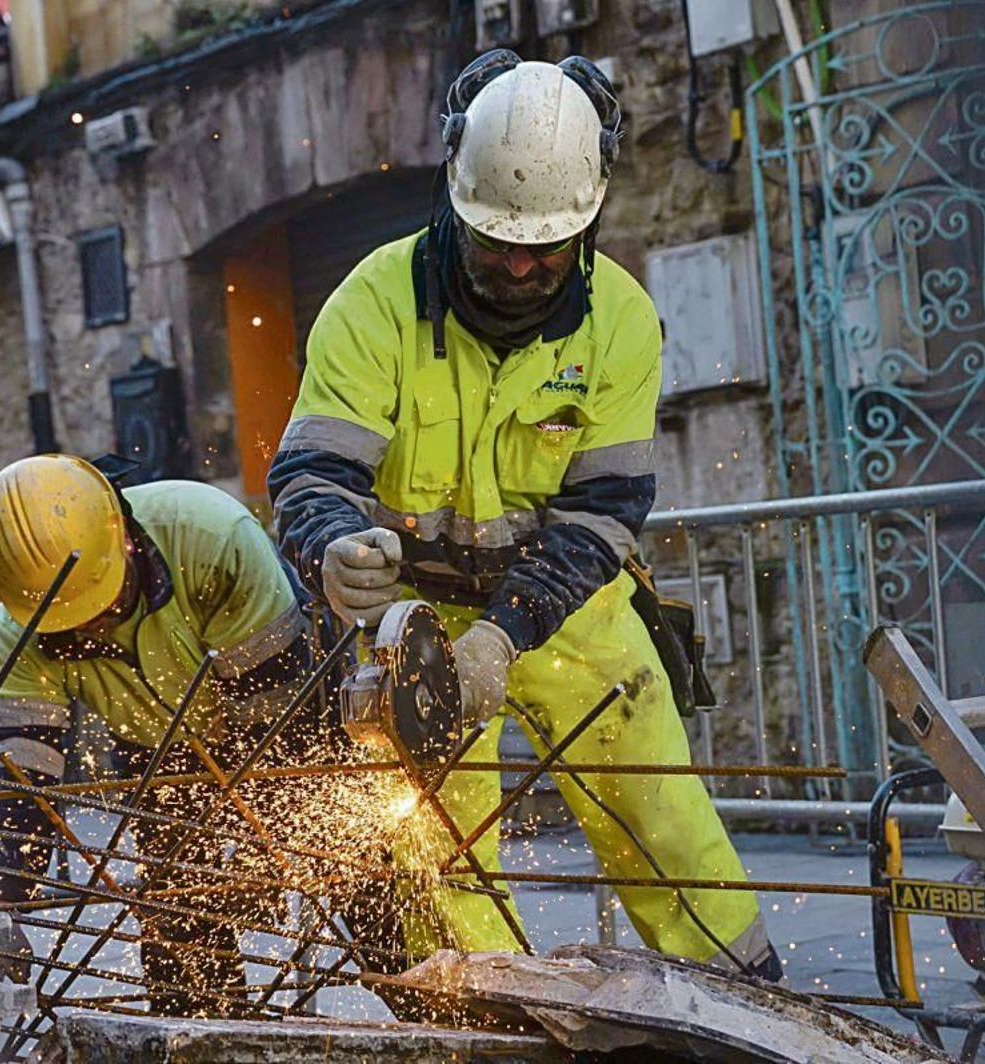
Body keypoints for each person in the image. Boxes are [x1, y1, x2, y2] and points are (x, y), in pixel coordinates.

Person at [267, 51, 780, 979]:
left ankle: (745, 996)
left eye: (544, 246)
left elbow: (602, 514)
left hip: (571, 610)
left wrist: (503, 640)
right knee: (444, 861)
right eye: (495, 238)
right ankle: (494, 1020)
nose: (517, 264)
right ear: (454, 195)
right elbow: (311, 472)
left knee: (663, 824)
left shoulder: (621, 320)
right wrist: (334, 546)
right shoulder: (373, 304)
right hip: (416, 624)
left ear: (589, 215)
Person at [0, 454, 322, 1014]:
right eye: (71, 621)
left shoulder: (211, 540)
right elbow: (18, 794)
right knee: (182, 943)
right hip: (158, 752)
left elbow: (283, 729)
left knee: (360, 882)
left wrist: (267, 850)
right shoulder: (20, 631)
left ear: (126, 541)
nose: (88, 625)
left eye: (99, 606)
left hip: (274, 724)